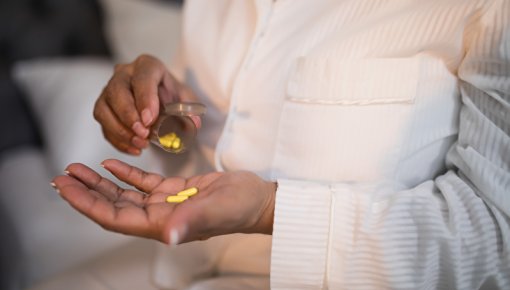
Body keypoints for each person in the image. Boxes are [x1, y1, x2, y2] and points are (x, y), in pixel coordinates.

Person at [52, 0, 510, 289]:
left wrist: (268, 210)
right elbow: (201, 138)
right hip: (176, 265)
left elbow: (497, 238)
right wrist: (164, 111)